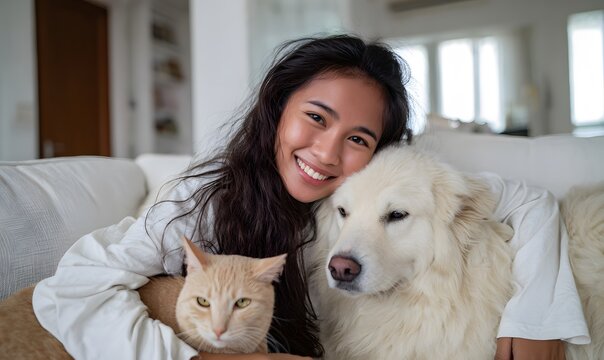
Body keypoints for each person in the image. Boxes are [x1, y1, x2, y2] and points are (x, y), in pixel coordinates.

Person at [33, 34, 588, 360]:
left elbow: (528, 199)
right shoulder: (200, 201)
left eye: (357, 139)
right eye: (315, 118)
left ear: (380, 151)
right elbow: (71, 288)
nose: (326, 152)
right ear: (278, 107)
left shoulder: (375, 183)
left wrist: (536, 314)